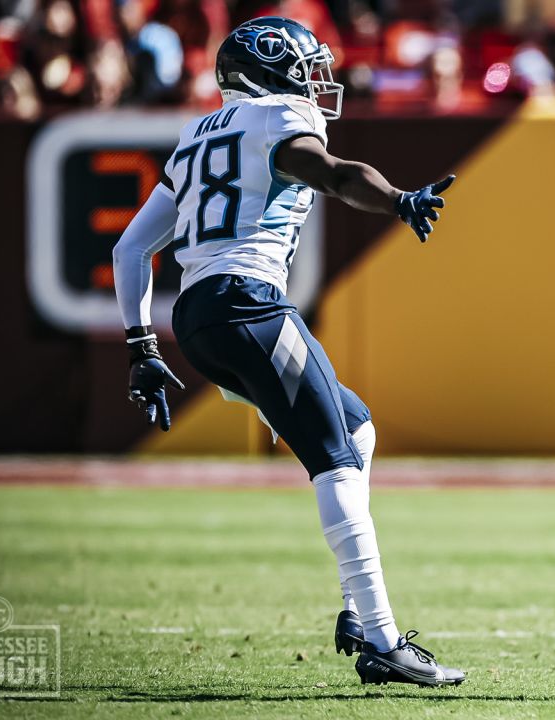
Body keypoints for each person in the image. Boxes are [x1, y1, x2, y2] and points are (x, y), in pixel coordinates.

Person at [111, 16, 463, 688]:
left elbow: (131, 248)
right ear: (268, 71)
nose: (316, 83)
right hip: (248, 302)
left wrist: (140, 346)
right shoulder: (278, 118)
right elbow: (333, 173)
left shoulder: (192, 136)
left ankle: (357, 614)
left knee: (356, 427)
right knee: (334, 456)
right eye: (307, 68)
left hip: (196, 319)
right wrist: (396, 200)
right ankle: (385, 643)